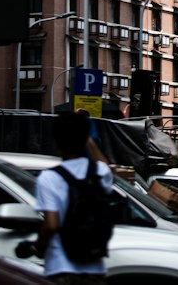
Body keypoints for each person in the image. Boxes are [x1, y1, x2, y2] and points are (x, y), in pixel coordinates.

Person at [35, 110, 113, 281]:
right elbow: (105, 165)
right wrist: (88, 140)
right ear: (85, 137)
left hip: (60, 268)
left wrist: (39, 247)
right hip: (95, 269)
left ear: (57, 140)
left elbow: (51, 225)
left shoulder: (49, 178)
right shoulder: (99, 172)